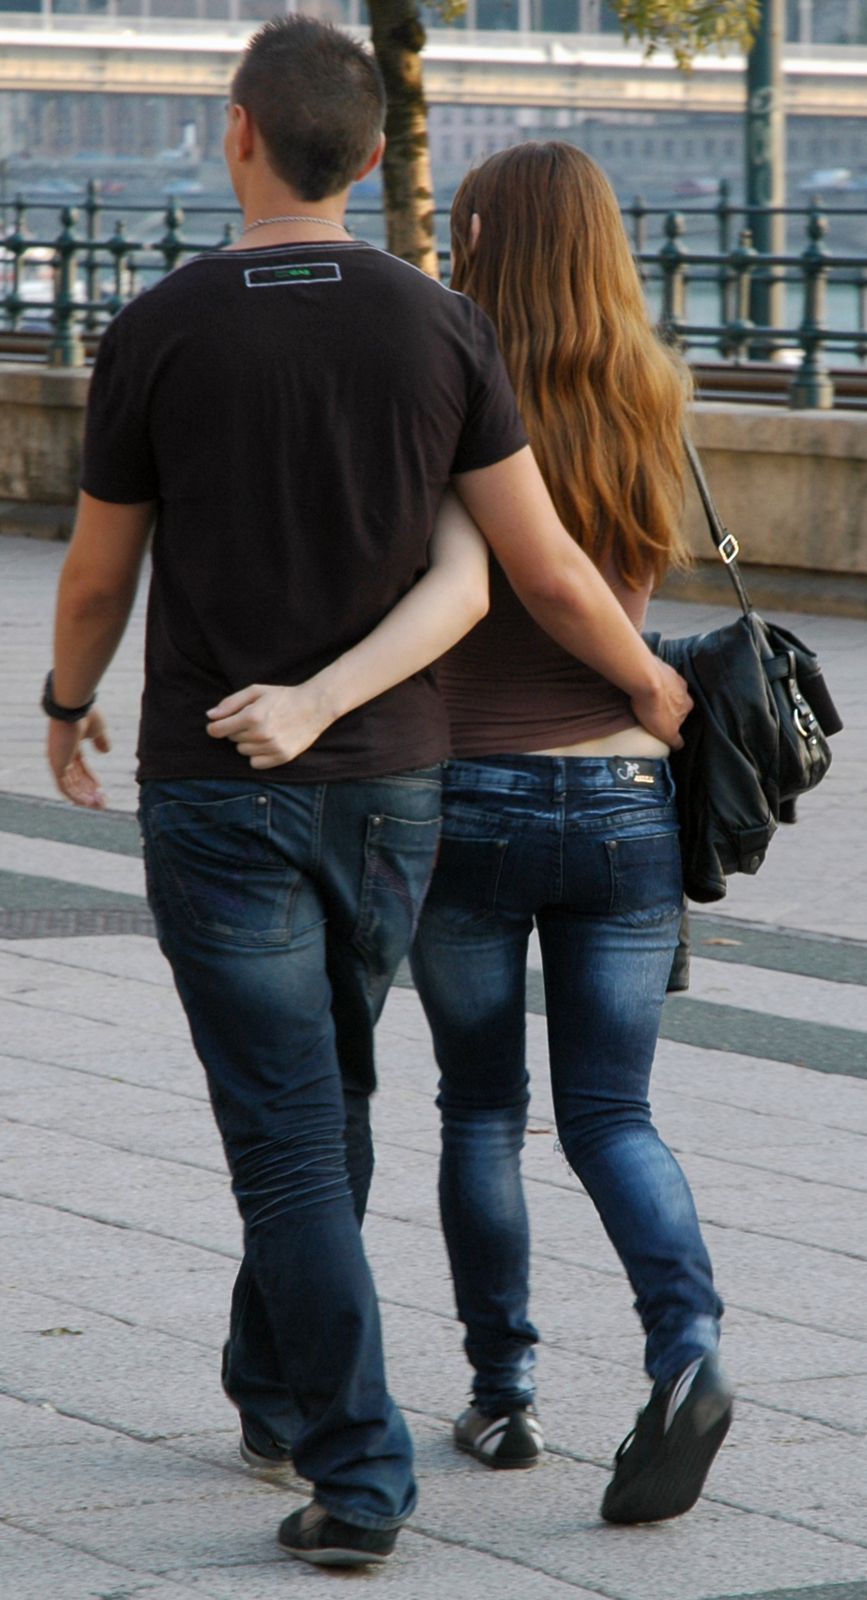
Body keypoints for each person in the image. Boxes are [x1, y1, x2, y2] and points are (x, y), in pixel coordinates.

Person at [44, 17, 691, 1568]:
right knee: (328, 1099)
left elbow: (95, 573)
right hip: (398, 788)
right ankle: (272, 1387)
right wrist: (653, 688)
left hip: (221, 787)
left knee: (284, 1131)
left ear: (236, 133)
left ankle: (361, 1472)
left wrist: (67, 705)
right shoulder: (440, 328)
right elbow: (533, 565)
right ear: (380, 155)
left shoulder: (161, 323)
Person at [408, 143, 734, 1525]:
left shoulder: (445, 380)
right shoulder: (652, 387)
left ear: (479, 232)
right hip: (621, 795)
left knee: (482, 1109)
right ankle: (690, 1356)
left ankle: (504, 1396)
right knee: (615, 1113)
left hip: (467, 792)